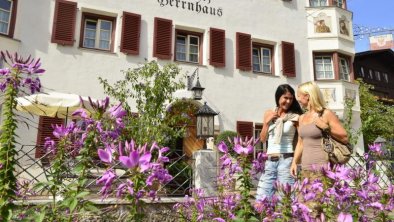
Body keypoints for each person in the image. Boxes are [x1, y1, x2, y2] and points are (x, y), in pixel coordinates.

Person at [290, 81, 348, 179]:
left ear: (307, 96)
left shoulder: (326, 114)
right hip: (305, 169)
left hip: (323, 169)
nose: (297, 99)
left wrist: (325, 128)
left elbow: (345, 138)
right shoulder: (301, 118)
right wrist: (294, 162)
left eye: (299, 96)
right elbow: (300, 143)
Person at [255, 84, 303, 201]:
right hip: (270, 161)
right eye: (285, 98)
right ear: (278, 97)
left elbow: (301, 141)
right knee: (262, 199)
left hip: (286, 161)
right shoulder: (269, 113)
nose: (288, 101)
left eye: (291, 98)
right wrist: (266, 123)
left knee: (285, 200)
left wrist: (295, 162)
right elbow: (262, 139)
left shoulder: (296, 117)